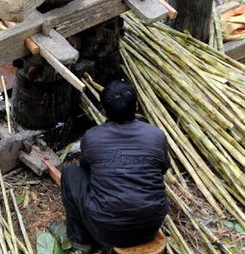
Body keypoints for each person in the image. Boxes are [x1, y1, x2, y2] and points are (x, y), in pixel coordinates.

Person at [61, 81, 170, 253]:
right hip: (151, 225)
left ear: (103, 111)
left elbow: (86, 170)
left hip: (107, 231)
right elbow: (163, 169)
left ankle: (81, 242)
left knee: (70, 172)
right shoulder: (156, 135)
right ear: (136, 107)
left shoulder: (92, 137)